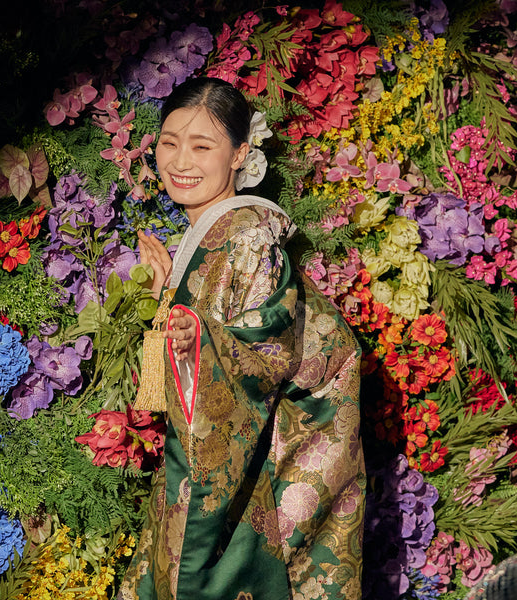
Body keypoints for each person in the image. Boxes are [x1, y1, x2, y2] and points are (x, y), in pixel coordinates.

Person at [117, 77, 366, 600]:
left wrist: (201, 340)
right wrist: (166, 299)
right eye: (169, 143)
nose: (180, 161)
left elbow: (264, 349)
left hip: (243, 476)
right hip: (201, 458)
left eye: (202, 146)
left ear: (239, 155)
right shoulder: (211, 232)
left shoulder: (246, 235)